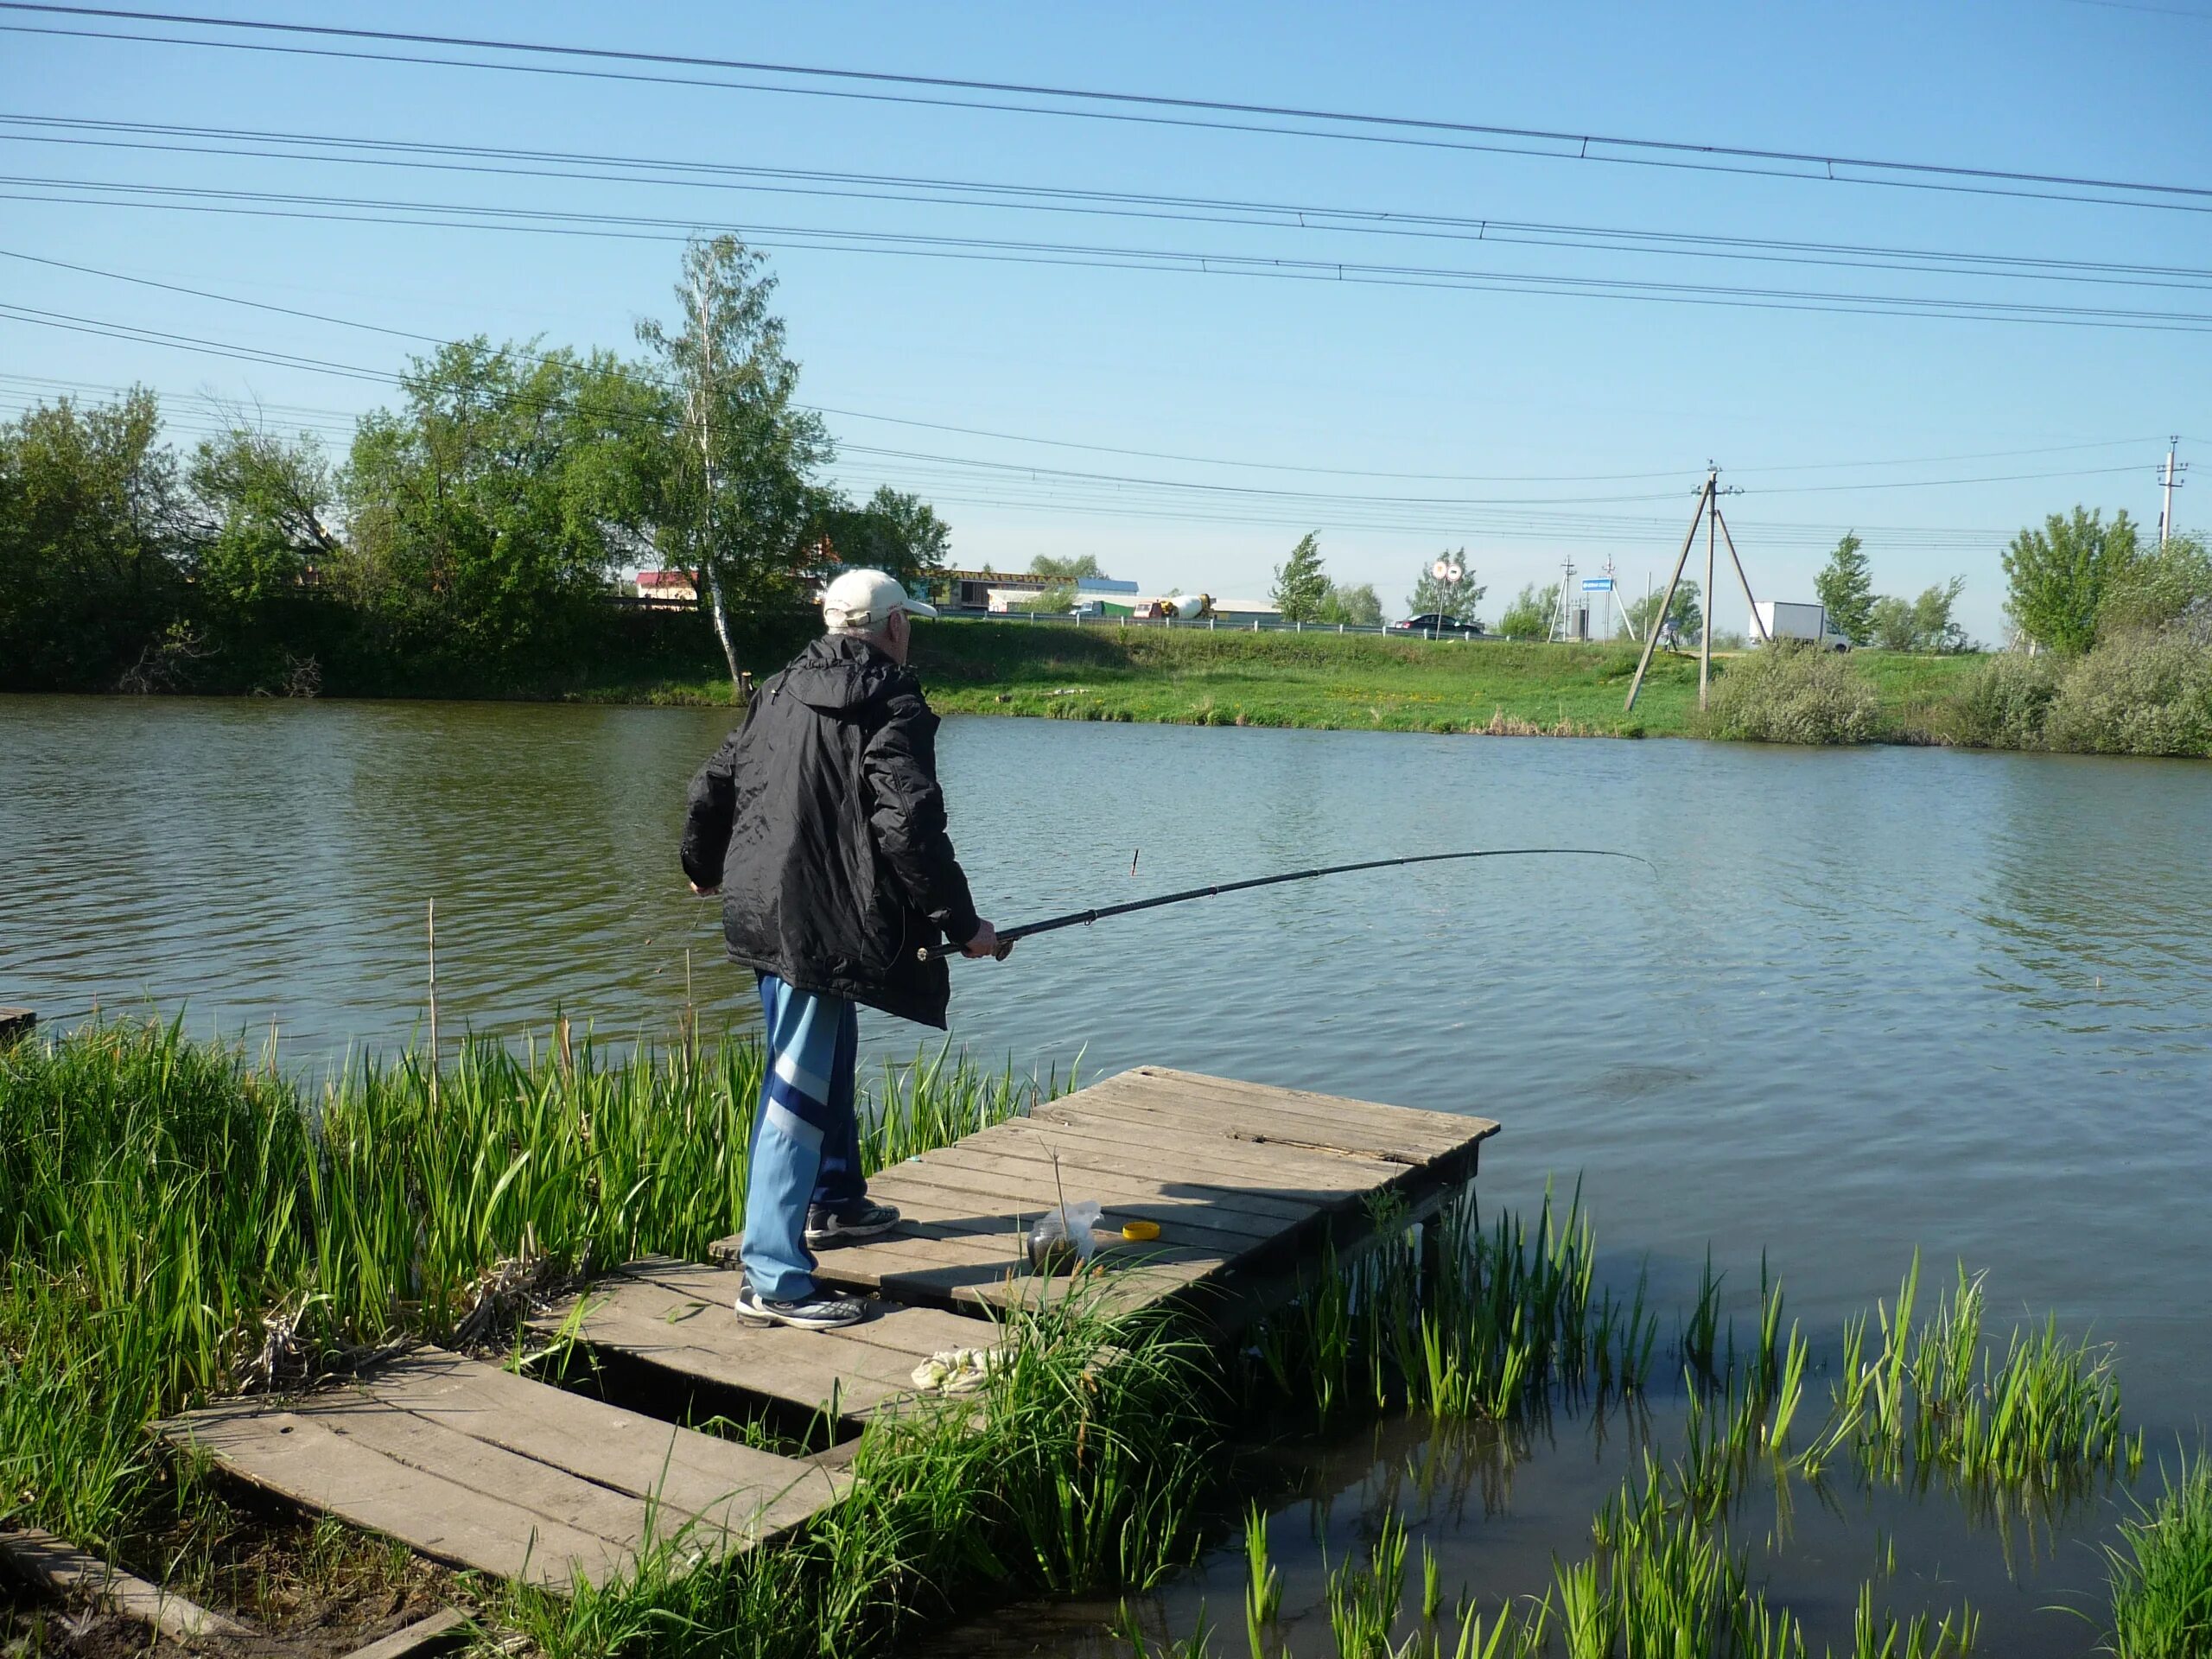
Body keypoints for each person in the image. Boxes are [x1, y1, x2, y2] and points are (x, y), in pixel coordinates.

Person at [680, 569, 1008, 1331]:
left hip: (766, 908)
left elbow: (713, 783)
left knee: (824, 1054)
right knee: (796, 1088)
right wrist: (964, 926)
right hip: (814, 921)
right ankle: (771, 1276)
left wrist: (702, 866)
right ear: (893, 626)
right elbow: (907, 825)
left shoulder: (781, 686)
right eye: (910, 623)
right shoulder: (892, 697)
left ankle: (834, 1201)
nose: (912, 634)